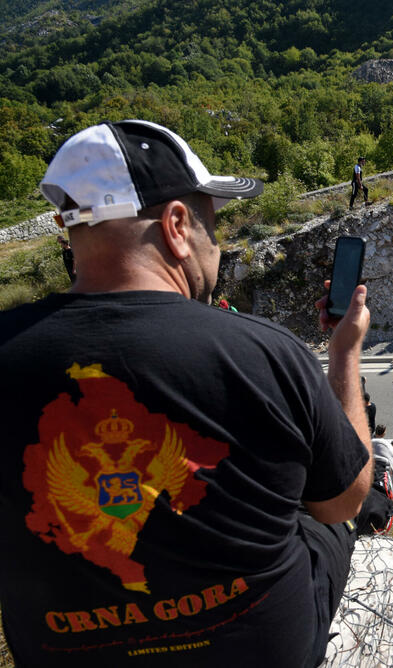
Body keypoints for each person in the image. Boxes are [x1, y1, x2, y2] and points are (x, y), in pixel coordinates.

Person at [1, 120, 372, 667]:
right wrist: (344, 353)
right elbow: (344, 498)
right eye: (213, 226)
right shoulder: (261, 351)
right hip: (258, 653)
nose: (216, 247)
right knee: (318, 517)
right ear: (177, 225)